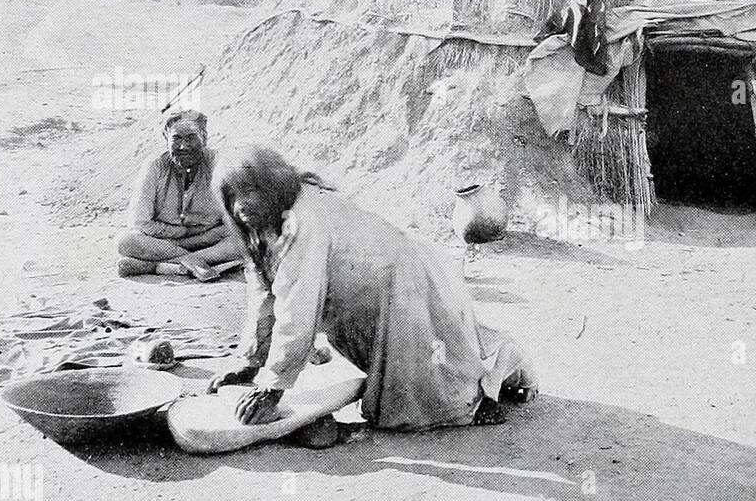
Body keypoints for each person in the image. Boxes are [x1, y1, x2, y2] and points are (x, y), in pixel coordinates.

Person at [207, 145, 537, 430]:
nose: (240, 206)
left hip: (405, 276)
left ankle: (482, 397)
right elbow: (264, 295)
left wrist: (272, 388)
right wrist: (252, 363)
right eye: (232, 196)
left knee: (427, 396)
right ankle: (493, 374)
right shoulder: (264, 226)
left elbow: (296, 308)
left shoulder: (302, 220)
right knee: (433, 363)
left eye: (248, 192)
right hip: (374, 290)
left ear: (270, 185)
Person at [116, 110, 243, 280]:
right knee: (126, 242)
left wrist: (212, 235)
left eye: (191, 137)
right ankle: (196, 262)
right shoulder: (155, 166)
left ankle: (156, 266)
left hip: (210, 241)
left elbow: (237, 216)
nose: (183, 146)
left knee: (243, 240)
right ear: (166, 138)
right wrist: (184, 236)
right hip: (165, 243)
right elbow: (140, 222)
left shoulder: (218, 163)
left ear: (204, 138)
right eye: (176, 138)